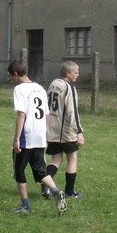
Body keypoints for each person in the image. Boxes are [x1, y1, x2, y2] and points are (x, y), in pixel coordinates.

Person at [7, 59, 67, 216]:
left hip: (26, 136)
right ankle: (56, 191)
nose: (12, 80)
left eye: (11, 77)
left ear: (15, 74)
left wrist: (16, 139)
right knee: (40, 172)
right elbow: (47, 115)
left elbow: (21, 114)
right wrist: (43, 133)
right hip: (40, 136)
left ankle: (25, 205)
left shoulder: (19, 89)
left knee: (19, 172)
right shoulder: (40, 88)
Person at [44, 61, 85, 199]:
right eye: (75, 72)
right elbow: (72, 112)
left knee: (56, 159)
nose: (78, 75)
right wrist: (79, 132)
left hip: (52, 129)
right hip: (66, 130)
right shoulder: (69, 88)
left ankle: (46, 182)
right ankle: (69, 192)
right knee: (72, 158)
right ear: (68, 73)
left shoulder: (53, 84)